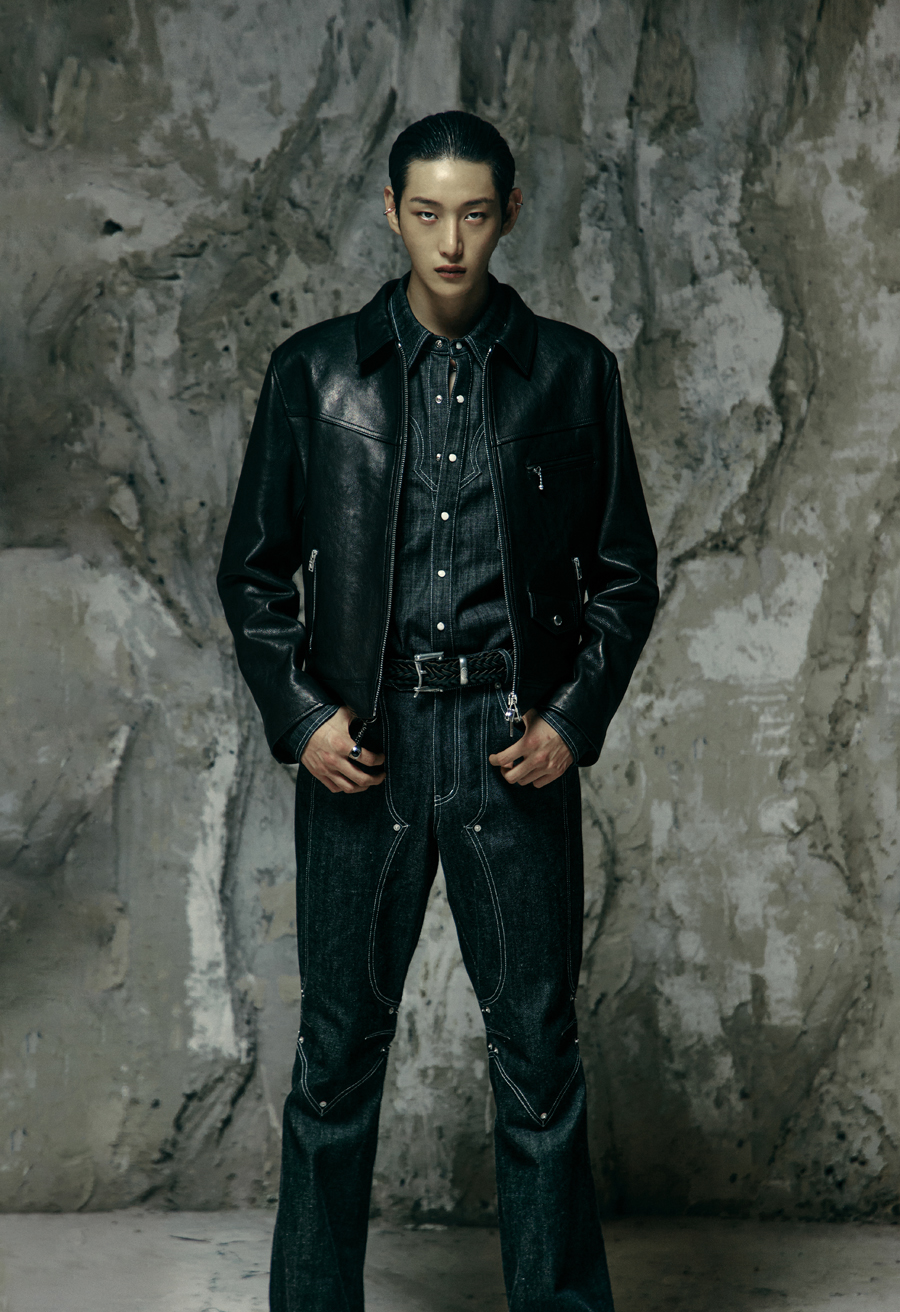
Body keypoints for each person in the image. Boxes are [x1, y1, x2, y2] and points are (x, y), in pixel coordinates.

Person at [217, 110, 658, 1312]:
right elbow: (253, 572)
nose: (450, 242)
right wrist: (303, 714)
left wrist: (572, 716)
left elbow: (625, 574)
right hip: (366, 749)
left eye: (472, 214)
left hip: (513, 749)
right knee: (334, 1062)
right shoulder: (314, 373)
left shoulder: (573, 373)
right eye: (426, 214)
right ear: (391, 212)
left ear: (509, 213)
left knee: (539, 1061)